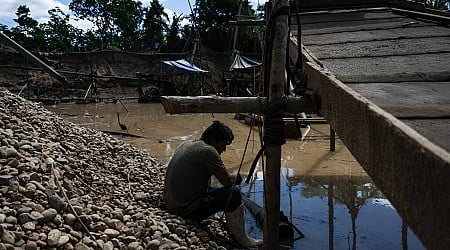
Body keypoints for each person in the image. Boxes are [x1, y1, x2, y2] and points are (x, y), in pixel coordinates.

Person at [164, 120, 263, 247]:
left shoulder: (187, 144)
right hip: (183, 209)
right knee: (234, 193)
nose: (224, 149)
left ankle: (215, 213)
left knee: (207, 175)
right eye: (223, 144)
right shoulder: (208, 151)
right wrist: (236, 178)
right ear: (212, 140)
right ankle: (242, 238)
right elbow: (227, 182)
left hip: (170, 202)